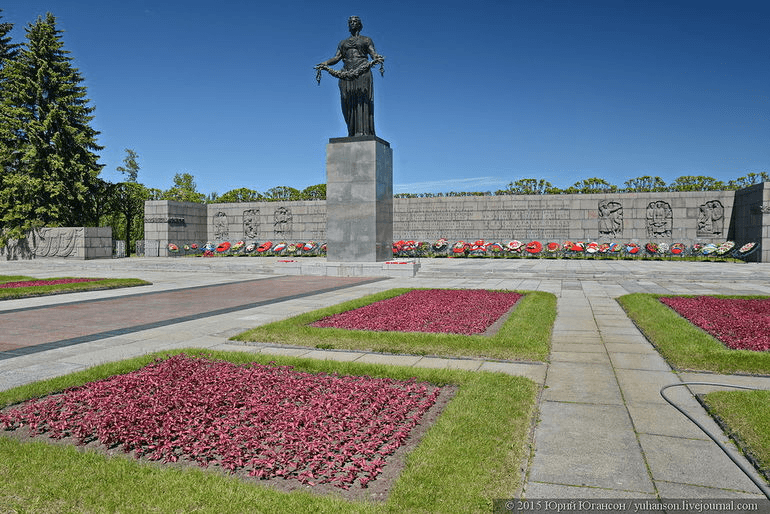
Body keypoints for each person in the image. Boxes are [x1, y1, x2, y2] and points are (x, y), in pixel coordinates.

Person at [315, 16, 385, 137]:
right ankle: (351, 131)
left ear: (360, 25)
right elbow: (337, 57)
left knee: (361, 101)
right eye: (350, 22)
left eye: (355, 22)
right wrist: (325, 63)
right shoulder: (343, 43)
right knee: (346, 101)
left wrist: (377, 57)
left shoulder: (366, 40)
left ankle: (363, 132)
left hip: (362, 71)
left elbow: (372, 53)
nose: (352, 24)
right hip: (346, 73)